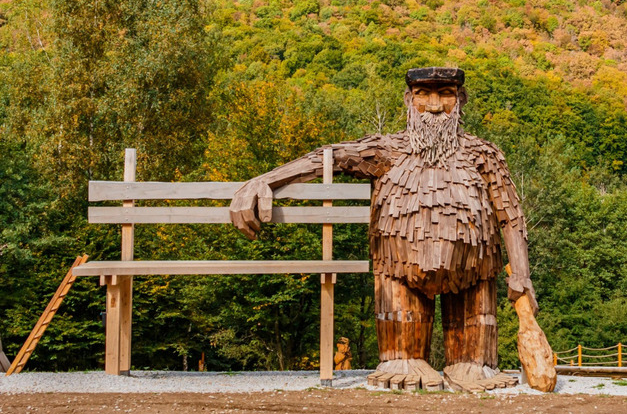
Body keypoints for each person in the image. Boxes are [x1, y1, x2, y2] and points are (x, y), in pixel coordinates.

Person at [230, 67, 538, 391]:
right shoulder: (386, 150)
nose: (435, 105)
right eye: (424, 95)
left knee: (474, 366)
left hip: (473, 276)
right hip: (399, 276)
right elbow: (330, 157)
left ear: (460, 99)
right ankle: (401, 358)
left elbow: (511, 217)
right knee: (402, 356)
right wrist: (265, 180)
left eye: (445, 94)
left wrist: (521, 275)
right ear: (409, 99)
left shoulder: (484, 155)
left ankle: (473, 363)